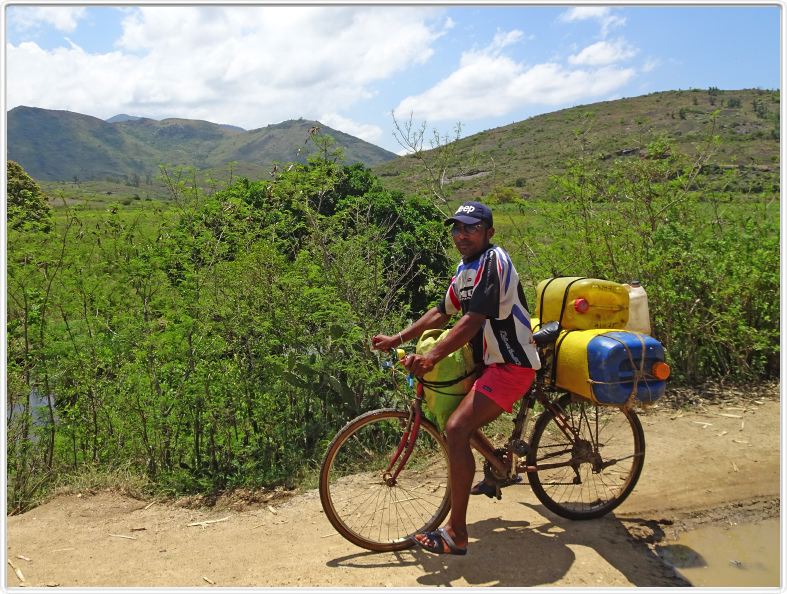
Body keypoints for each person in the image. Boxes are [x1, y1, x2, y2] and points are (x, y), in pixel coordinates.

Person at [371, 200, 541, 556]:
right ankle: (497, 464)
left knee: (457, 429)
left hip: (511, 364)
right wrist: (396, 339)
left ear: (489, 232)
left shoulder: (495, 262)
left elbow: (472, 320)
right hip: (486, 364)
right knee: (454, 419)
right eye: (457, 228)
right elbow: (440, 312)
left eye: (471, 228)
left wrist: (432, 356)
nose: (461, 235)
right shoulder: (466, 267)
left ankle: (456, 534)